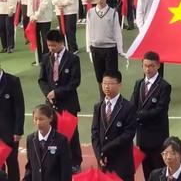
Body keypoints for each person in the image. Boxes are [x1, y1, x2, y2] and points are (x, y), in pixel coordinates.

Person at [38, 30, 82, 174]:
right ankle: (56, 160)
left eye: (54, 46)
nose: (51, 49)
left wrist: (58, 92)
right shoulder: (46, 58)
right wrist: (48, 94)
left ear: (61, 43)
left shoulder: (72, 59)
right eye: (49, 46)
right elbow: (42, 79)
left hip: (68, 103)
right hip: (51, 104)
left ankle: (75, 161)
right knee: (54, 133)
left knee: (72, 134)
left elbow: (75, 81)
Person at [131, 51, 171, 180]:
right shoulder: (139, 83)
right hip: (142, 136)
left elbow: (160, 110)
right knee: (146, 170)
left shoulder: (164, 86)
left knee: (158, 170)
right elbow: (133, 104)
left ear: (158, 66)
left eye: (151, 66)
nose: (148, 69)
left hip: (158, 136)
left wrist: (138, 115)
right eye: (145, 65)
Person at [91, 71, 137, 181]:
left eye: (111, 84)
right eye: (104, 83)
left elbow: (128, 134)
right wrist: (99, 155)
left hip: (122, 162)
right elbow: (95, 132)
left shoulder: (128, 107)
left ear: (119, 85)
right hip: (104, 162)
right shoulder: (98, 106)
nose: (107, 86)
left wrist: (106, 149)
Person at [86, 0, 125, 94]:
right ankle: (103, 98)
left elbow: (117, 31)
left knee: (111, 76)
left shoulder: (113, 13)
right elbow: (88, 31)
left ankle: (113, 97)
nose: (100, 0)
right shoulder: (90, 12)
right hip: (96, 49)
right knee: (99, 77)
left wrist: (120, 49)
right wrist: (89, 49)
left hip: (110, 49)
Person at [23, 104, 71, 181]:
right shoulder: (30, 139)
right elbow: (30, 166)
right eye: (36, 119)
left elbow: (65, 169)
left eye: (41, 119)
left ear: (50, 118)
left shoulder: (61, 140)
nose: (38, 123)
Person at [0, 67, 24, 181]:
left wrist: (18, 130)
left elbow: (19, 107)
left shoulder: (12, 81)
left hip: (10, 131)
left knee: (12, 162)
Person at [27, 0, 53, 65]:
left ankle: (46, 58)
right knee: (35, 38)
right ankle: (38, 58)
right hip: (34, 19)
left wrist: (36, 15)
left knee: (45, 38)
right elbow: (29, 1)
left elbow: (44, 4)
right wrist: (30, 15)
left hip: (44, 18)